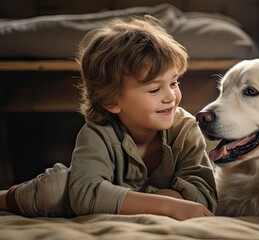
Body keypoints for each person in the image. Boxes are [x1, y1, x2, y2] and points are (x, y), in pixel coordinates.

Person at [0, 16, 217, 220]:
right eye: (154, 90)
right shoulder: (98, 132)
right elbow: (86, 194)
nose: (171, 96)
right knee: (55, 188)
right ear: (112, 101)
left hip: (112, 199)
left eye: (174, 82)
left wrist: (145, 198)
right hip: (73, 192)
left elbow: (204, 196)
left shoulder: (186, 129)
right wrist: (166, 202)